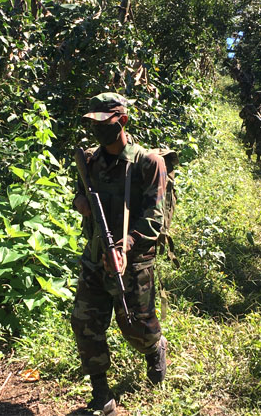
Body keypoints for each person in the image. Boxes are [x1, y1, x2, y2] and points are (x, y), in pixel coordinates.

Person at [71, 93, 168, 413]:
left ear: (122, 121)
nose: (97, 131)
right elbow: (79, 195)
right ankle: (101, 392)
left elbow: (154, 219)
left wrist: (125, 246)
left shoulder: (148, 163)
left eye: (104, 124)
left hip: (134, 259)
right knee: (85, 323)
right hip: (95, 256)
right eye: (93, 124)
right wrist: (80, 204)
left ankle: (155, 347)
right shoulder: (89, 160)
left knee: (135, 328)